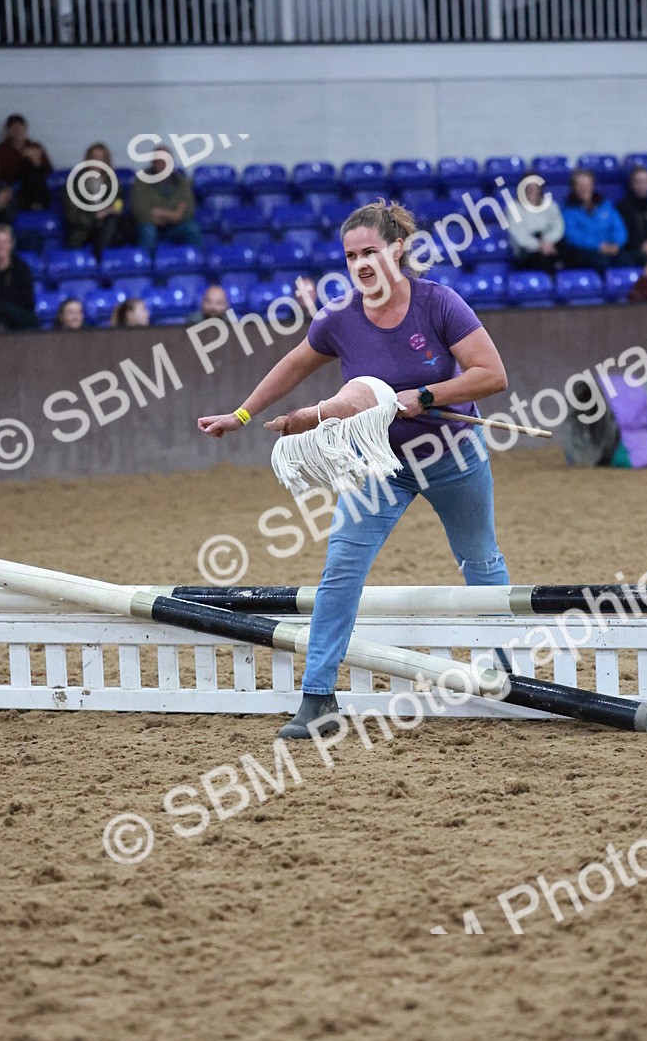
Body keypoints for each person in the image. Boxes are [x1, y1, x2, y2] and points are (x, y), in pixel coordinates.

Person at [198, 199, 510, 740]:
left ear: (398, 249)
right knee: (341, 565)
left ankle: (506, 676)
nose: (361, 263)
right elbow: (296, 362)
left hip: (454, 455)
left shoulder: (440, 303)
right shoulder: (340, 318)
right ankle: (318, 697)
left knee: (480, 559)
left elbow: (492, 375)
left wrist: (427, 394)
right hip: (381, 464)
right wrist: (242, 414)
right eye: (351, 256)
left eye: (370, 251)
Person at [64, 142, 131, 259]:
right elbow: (73, 215)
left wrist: (116, 209)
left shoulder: (112, 181)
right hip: (84, 228)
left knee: (114, 222)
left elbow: (119, 201)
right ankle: (101, 259)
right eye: (94, 158)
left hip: (108, 225)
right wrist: (98, 215)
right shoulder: (74, 183)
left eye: (101, 158)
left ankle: (104, 258)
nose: (97, 162)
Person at [130, 145, 202, 254]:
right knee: (148, 231)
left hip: (175, 227)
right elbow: (141, 213)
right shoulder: (141, 181)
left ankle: (198, 263)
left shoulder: (181, 181)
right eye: (160, 161)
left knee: (192, 229)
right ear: (153, 163)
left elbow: (189, 210)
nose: (164, 165)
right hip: (150, 226)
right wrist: (174, 214)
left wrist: (159, 212)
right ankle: (147, 267)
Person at [560, 169, 628, 270]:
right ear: (573, 188)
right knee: (601, 262)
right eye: (579, 185)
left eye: (587, 185)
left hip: (612, 248)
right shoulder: (567, 210)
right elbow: (572, 236)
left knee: (628, 260)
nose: (584, 189)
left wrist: (616, 244)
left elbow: (619, 227)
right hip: (584, 252)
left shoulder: (605, 205)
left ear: (593, 186)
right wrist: (598, 246)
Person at [0, 224, 38, 331]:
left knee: (1, 307)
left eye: (4, 242)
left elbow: (28, 303)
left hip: (20, 320)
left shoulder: (22, 270)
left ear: (11, 245)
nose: (1, 246)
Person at [508, 175, 565, 272]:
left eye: (535, 187)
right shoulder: (514, 208)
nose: (532, 190)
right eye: (528, 187)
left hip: (550, 244)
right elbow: (518, 235)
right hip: (527, 250)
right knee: (541, 261)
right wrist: (538, 245)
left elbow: (558, 227)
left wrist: (547, 242)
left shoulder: (551, 205)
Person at [0, 114, 52, 185]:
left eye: (20, 127)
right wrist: (22, 156)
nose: (17, 131)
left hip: (35, 185)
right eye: (14, 128)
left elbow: (49, 170)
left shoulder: (35, 146)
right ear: (8, 131)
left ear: (25, 128)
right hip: (11, 186)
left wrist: (36, 161)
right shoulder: (0, 150)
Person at [616, 167, 647, 266]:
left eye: (646, 182)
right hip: (632, 251)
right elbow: (623, 235)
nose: (642, 186)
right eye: (639, 182)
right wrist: (641, 245)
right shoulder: (622, 207)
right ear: (632, 183)